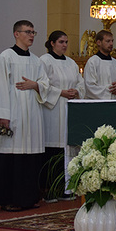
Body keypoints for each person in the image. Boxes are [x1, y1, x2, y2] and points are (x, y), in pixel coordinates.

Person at [0, 20, 49, 212]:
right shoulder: (5, 57)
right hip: (13, 112)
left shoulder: (36, 60)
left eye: (33, 32)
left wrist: (36, 85)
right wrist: (3, 115)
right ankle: (10, 198)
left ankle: (28, 197)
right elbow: (0, 88)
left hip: (32, 113)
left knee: (30, 156)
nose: (31, 35)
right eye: (27, 32)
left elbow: (45, 84)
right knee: (12, 156)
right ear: (16, 33)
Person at [40, 31, 85, 202]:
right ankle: (50, 189)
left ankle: (67, 189)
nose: (64, 45)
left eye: (66, 42)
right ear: (52, 43)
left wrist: (77, 91)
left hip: (69, 109)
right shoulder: (44, 61)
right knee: (52, 150)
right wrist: (61, 92)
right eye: (61, 42)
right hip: (52, 109)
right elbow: (42, 86)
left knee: (68, 149)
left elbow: (81, 83)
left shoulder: (71, 63)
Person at [84, 30, 116, 100]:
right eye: (108, 41)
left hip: (114, 103)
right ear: (99, 42)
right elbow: (90, 87)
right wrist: (111, 90)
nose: (111, 44)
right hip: (98, 104)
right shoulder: (93, 62)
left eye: (112, 41)